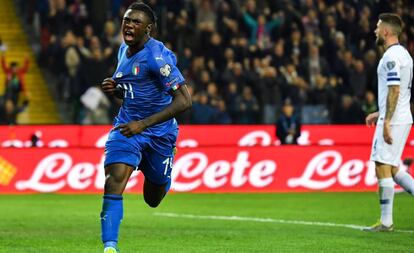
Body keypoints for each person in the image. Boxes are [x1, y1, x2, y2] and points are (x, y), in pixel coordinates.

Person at [99, 2, 192, 253]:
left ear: (148, 29)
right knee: (114, 178)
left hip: (159, 133)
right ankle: (110, 247)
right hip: (127, 127)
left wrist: (145, 124)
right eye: (127, 20)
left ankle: (162, 176)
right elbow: (133, 90)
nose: (129, 25)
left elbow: (185, 100)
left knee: (153, 199)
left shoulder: (157, 58)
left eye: (136, 22)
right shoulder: (123, 50)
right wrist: (116, 90)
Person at [363, 13, 414, 232]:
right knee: (392, 168)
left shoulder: (392, 56)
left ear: (386, 31)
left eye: (377, 26)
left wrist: (387, 120)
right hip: (398, 115)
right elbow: (397, 90)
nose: (374, 30)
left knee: (382, 166)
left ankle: (386, 222)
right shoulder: (403, 54)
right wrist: (380, 112)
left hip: (394, 119)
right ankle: (386, 222)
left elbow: (394, 89)